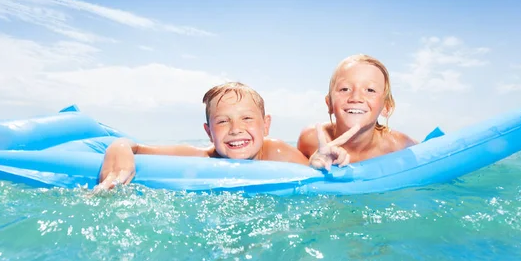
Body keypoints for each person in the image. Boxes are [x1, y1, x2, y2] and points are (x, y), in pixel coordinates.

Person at [96, 81, 357, 192]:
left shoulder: (276, 152)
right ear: (208, 132)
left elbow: (312, 175)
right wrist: (118, 147)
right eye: (222, 121)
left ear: (266, 125)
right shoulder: (202, 157)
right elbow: (138, 148)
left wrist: (318, 162)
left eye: (247, 118)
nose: (235, 129)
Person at [300, 54, 417, 171]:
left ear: (386, 107)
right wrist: (313, 164)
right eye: (345, 89)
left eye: (370, 90)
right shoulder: (311, 139)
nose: (356, 97)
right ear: (329, 103)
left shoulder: (398, 145)